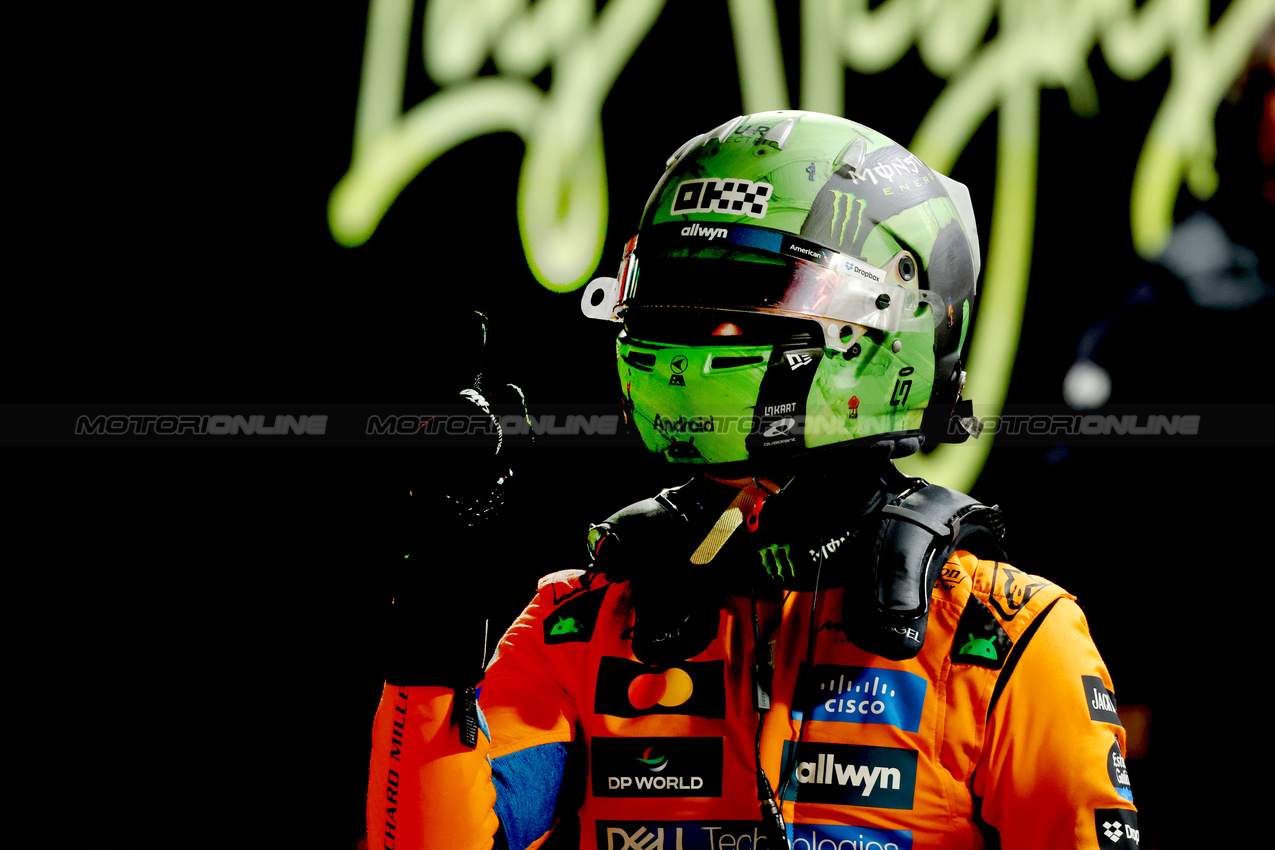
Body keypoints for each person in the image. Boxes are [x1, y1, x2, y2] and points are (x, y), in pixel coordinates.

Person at [369, 111, 1139, 850]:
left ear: (888, 319)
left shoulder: (1002, 640)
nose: (697, 335)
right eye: (673, 297)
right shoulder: (586, 623)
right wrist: (437, 612)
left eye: (746, 303)